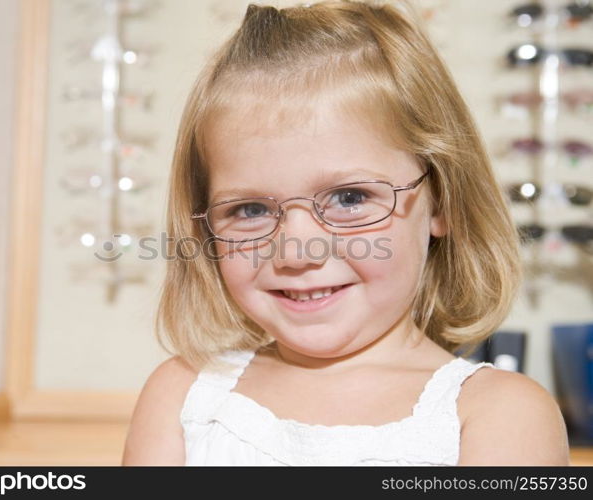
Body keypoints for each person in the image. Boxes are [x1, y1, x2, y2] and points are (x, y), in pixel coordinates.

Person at [122, 0, 570, 465]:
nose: (296, 251)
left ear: (443, 199)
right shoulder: (182, 398)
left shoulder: (498, 415)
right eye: (250, 208)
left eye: (350, 198)